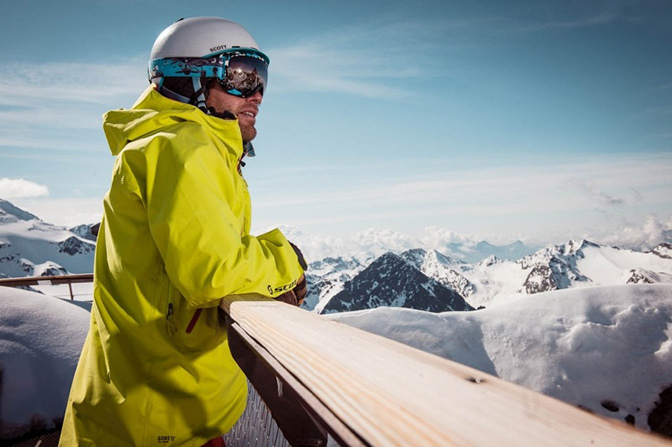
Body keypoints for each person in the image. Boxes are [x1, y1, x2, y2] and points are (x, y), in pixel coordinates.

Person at [60, 17, 307, 446]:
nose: (258, 94)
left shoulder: (174, 146)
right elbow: (214, 273)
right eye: (241, 76)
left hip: (151, 403)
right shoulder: (181, 149)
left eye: (261, 79)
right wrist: (288, 260)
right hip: (157, 414)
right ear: (188, 78)